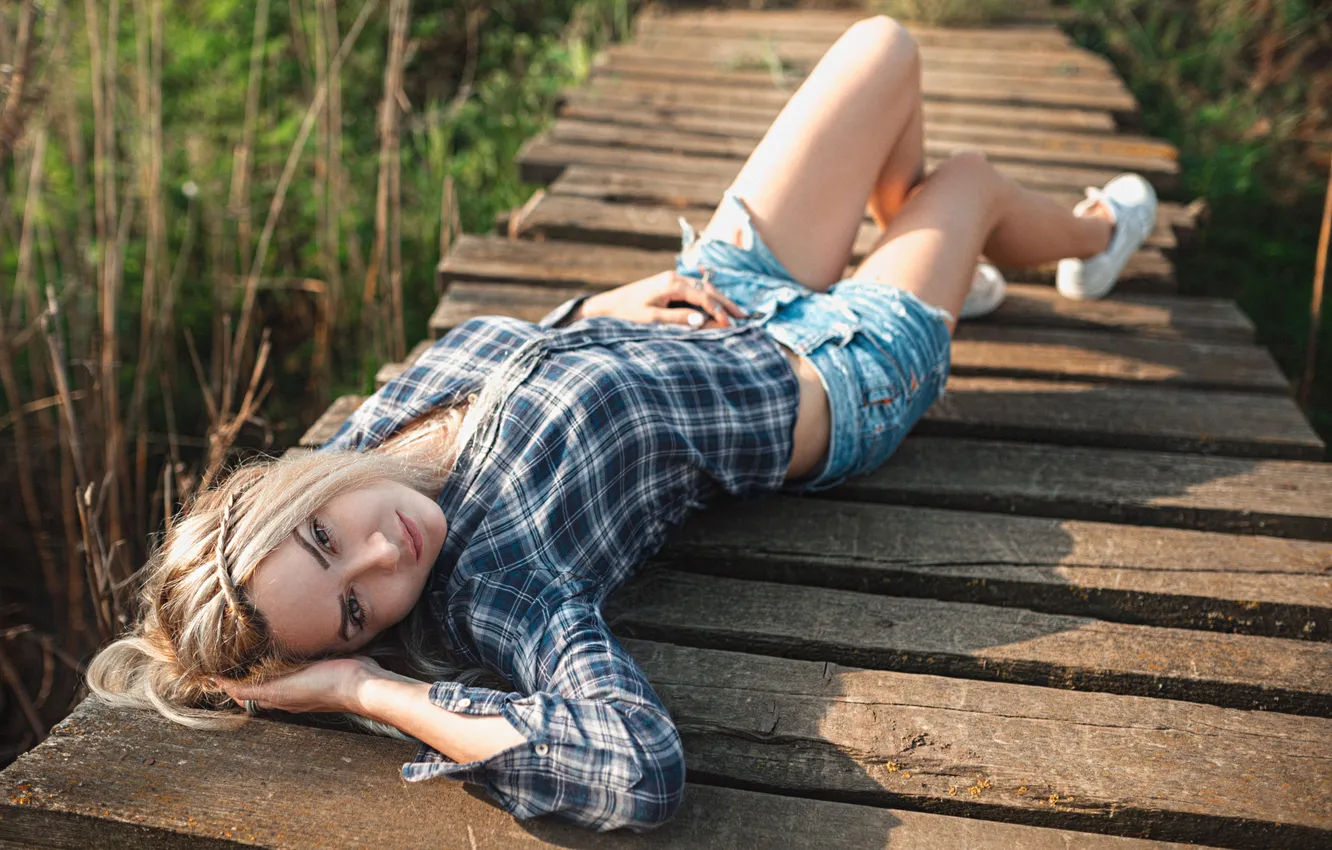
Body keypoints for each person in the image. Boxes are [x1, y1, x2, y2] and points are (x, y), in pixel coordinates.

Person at [85, 16, 1157, 833]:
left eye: (325, 537)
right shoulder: (498, 587)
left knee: (884, 48)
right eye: (358, 610)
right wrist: (366, 686)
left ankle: (928, 249)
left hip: (720, 294)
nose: (383, 554)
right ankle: (1086, 236)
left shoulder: (369, 433)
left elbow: (493, 354)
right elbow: (633, 767)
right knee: (967, 177)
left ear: (288, 487)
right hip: (835, 370)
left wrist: (591, 308)